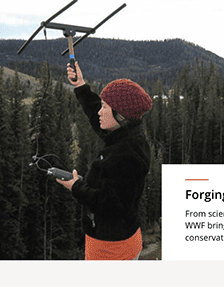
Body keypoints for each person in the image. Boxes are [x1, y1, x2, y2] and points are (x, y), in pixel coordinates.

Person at [57, 61, 153, 260]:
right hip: (120, 240)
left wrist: (76, 187)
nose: (100, 111)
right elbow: (98, 118)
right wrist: (81, 86)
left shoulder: (126, 156)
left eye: (105, 107)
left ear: (121, 115)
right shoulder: (127, 135)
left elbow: (111, 205)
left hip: (111, 249)